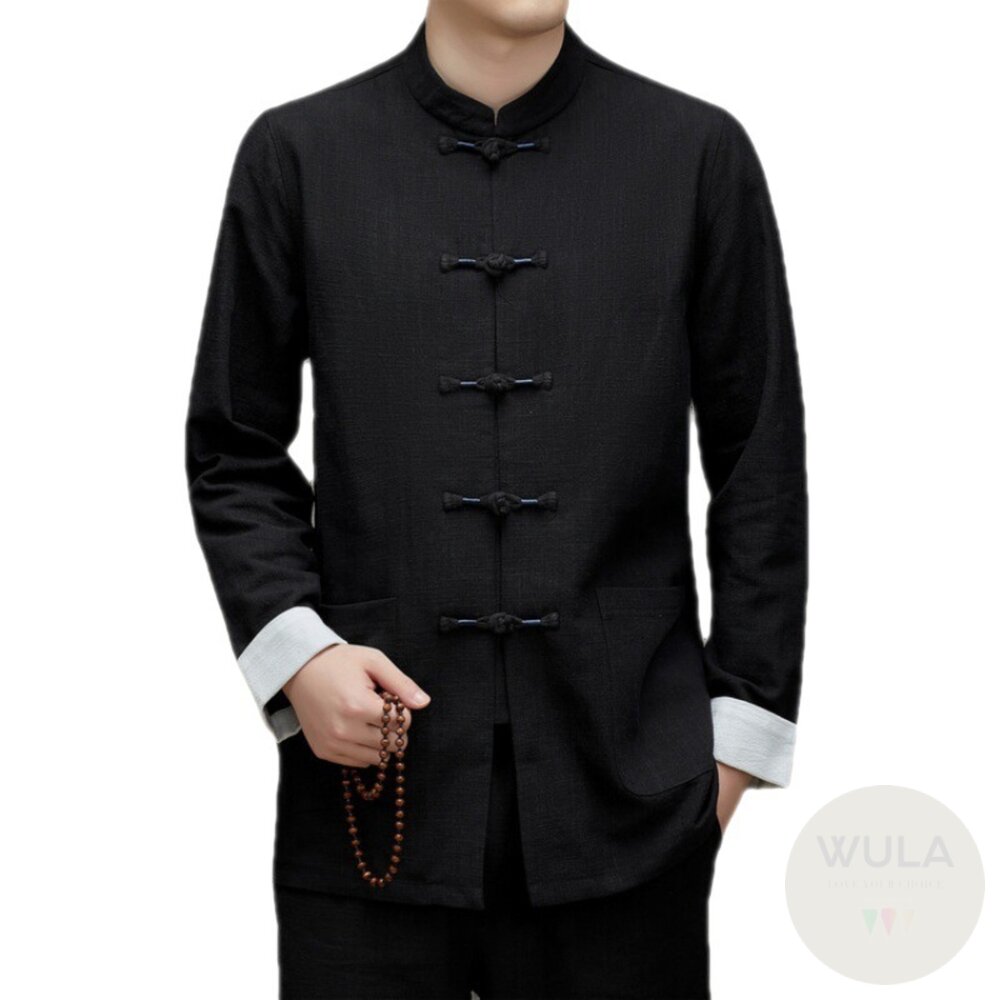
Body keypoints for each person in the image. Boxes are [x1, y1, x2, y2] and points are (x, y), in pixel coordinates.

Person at [185, 0, 808, 996]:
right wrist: (299, 656)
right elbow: (233, 443)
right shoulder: (298, 152)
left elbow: (760, 460)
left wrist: (735, 747)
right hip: (371, 785)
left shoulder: (696, 153)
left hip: (631, 789)